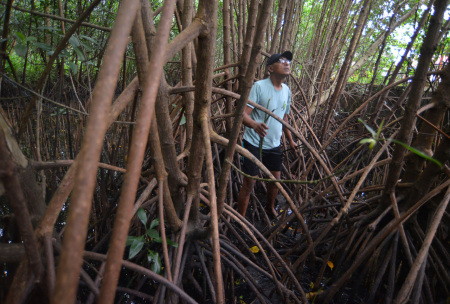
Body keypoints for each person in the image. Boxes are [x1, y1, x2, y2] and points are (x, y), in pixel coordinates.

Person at [237, 51, 297, 218]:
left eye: (288, 61)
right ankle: (241, 218)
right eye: (281, 61)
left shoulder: (286, 90)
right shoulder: (259, 87)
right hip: (253, 143)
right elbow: (243, 114)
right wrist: (254, 124)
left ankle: (270, 208)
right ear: (270, 68)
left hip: (274, 144)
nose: (287, 63)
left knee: (275, 181)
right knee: (249, 183)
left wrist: (291, 141)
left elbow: (284, 117)